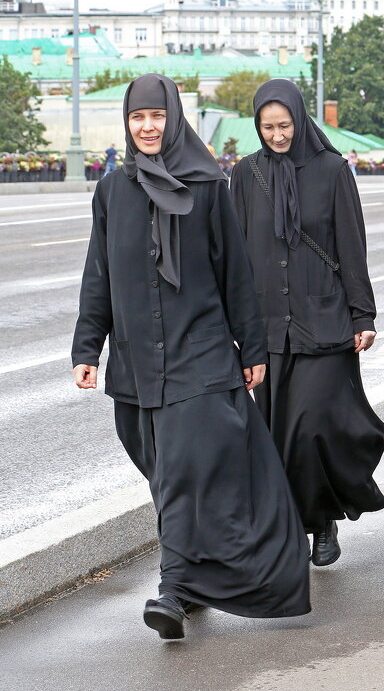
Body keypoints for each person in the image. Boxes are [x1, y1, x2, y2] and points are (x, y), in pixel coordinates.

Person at [71, 74, 310, 640]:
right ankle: (199, 576)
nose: (149, 127)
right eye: (138, 119)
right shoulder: (112, 191)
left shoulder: (207, 187)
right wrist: (88, 346)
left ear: (174, 119)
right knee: (163, 474)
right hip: (137, 366)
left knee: (181, 473)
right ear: (127, 125)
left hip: (200, 355)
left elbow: (234, 271)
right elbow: (98, 276)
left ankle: (172, 591)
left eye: (158, 117)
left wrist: (251, 346)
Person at [229, 79, 384, 567]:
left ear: (300, 121)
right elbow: (234, 255)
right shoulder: (244, 174)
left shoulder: (332, 169)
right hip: (267, 327)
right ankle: (296, 525)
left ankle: (322, 522)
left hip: (325, 320)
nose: (277, 135)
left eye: (285, 125)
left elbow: (350, 245)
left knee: (313, 427)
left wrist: (363, 313)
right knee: (277, 434)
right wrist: (232, 324)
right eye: (268, 127)